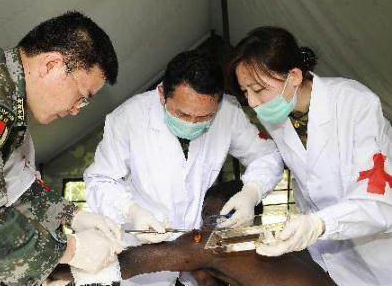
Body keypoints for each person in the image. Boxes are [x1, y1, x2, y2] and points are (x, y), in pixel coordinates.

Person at [0, 11, 123, 286]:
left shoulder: (3, 87)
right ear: (51, 65)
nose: (76, 111)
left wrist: (73, 215)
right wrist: (71, 251)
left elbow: (17, 183)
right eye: (81, 98)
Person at [84, 50, 284, 285]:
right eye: (182, 114)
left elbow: (267, 155)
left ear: (218, 102)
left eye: (204, 118)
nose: (192, 123)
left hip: (197, 249)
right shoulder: (128, 118)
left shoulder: (229, 114)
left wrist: (252, 192)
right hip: (145, 252)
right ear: (162, 95)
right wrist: (131, 211)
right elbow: (100, 180)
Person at [226, 26, 392, 285]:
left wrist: (318, 224)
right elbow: (274, 156)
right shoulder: (277, 112)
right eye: (245, 91)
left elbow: (377, 199)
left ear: (293, 75)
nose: (253, 102)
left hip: (378, 247)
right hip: (330, 252)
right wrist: (252, 190)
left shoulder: (355, 104)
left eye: (258, 89)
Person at [48, 181, 335, 286]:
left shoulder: (220, 243)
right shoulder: (286, 244)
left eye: (218, 215)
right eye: (206, 215)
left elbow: (135, 261)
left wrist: (49, 265)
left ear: (246, 215)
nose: (209, 223)